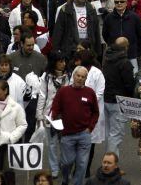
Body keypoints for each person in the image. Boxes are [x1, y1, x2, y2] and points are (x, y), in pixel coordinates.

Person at [50, 66, 99, 185]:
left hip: (84, 134)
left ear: (86, 79)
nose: (80, 78)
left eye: (83, 77)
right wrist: (54, 120)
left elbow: (95, 112)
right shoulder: (63, 91)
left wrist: (90, 128)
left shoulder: (90, 92)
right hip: (67, 134)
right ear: (73, 76)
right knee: (67, 162)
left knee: (82, 163)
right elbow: (55, 109)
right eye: (78, 75)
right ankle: (65, 180)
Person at [36, 51, 71, 180]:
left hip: (65, 115)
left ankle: (64, 166)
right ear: (54, 62)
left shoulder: (69, 76)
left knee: (65, 142)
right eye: (60, 61)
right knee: (51, 144)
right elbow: (43, 95)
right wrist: (39, 115)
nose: (64, 64)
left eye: (64, 61)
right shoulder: (46, 76)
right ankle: (54, 169)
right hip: (50, 114)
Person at [101, 38, 136, 156]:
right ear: (126, 47)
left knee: (108, 133)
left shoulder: (106, 58)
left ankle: (108, 160)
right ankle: (112, 165)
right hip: (119, 101)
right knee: (116, 134)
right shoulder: (125, 63)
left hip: (106, 99)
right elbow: (129, 84)